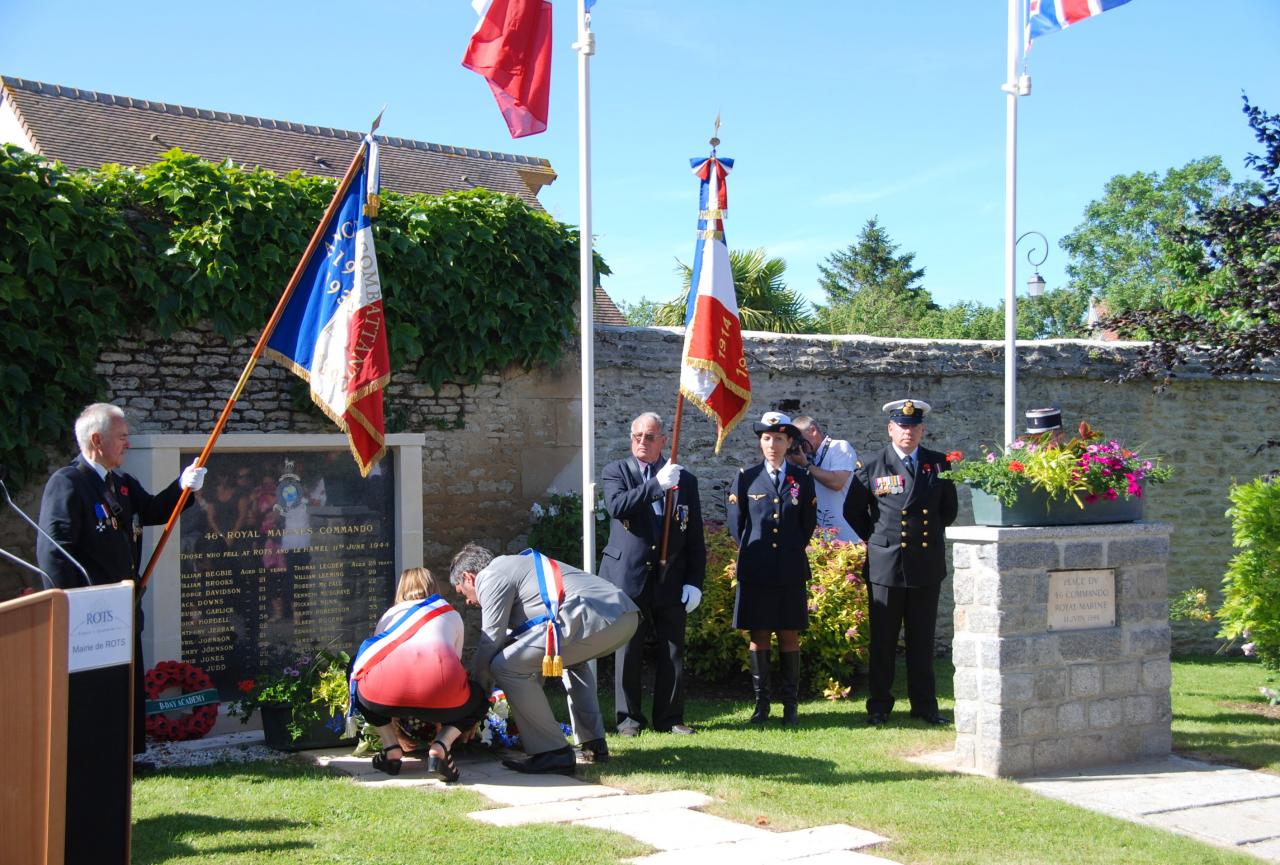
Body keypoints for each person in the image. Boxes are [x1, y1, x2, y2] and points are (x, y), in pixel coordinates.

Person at [36, 402, 207, 771]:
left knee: (122, 685)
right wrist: (76, 602)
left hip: (124, 607)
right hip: (89, 613)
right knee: (93, 688)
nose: (127, 444)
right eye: (122, 437)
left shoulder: (121, 485)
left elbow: (153, 512)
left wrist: (183, 488)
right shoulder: (69, 483)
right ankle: (90, 758)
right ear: (97, 440)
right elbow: (55, 551)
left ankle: (123, 757)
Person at [449, 543, 639, 774]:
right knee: (572, 663)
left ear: (469, 577)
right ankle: (594, 743)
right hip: (624, 615)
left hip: (595, 615)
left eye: (462, 592)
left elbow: (491, 642)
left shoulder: (491, 576)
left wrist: (475, 703)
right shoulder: (516, 566)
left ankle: (553, 752)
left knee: (504, 665)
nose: (468, 601)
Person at [843, 398, 958, 727]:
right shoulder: (872, 465)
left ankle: (924, 706)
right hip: (886, 564)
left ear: (922, 429)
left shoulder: (938, 464)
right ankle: (879, 706)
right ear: (891, 429)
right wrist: (879, 539)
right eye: (902, 427)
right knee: (883, 640)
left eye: (914, 427)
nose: (908, 432)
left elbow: (948, 511)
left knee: (922, 641)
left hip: (925, 563)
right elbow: (853, 511)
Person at [599, 412, 706, 737]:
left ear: (663, 439)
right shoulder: (617, 471)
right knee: (628, 648)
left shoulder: (684, 479)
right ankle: (628, 719)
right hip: (628, 574)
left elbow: (694, 534)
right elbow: (618, 506)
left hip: (670, 574)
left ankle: (670, 718)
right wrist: (656, 486)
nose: (641, 442)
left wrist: (694, 581)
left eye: (649, 437)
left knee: (672, 647)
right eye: (636, 436)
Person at [348, 567, 488, 782]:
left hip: (382, 699)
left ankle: (391, 747)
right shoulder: (449, 612)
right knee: (478, 697)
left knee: (355, 670)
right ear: (433, 587)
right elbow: (455, 667)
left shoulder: (390, 615)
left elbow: (371, 664)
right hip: (441, 697)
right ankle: (442, 745)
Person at [726, 411, 818, 727]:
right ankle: (761, 705)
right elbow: (737, 526)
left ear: (789, 441)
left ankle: (790, 706)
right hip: (757, 569)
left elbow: (807, 524)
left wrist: (788, 551)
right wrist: (760, 554)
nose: (772, 444)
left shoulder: (802, 478)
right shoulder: (746, 477)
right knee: (760, 634)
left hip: (790, 569)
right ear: (760, 442)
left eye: (779, 439)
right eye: (767, 438)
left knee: (789, 634)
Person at [790, 415, 860, 543]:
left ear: (813, 430)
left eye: (800, 438)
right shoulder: (808, 456)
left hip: (845, 536)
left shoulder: (839, 447)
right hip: (819, 538)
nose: (799, 444)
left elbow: (837, 482)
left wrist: (806, 465)